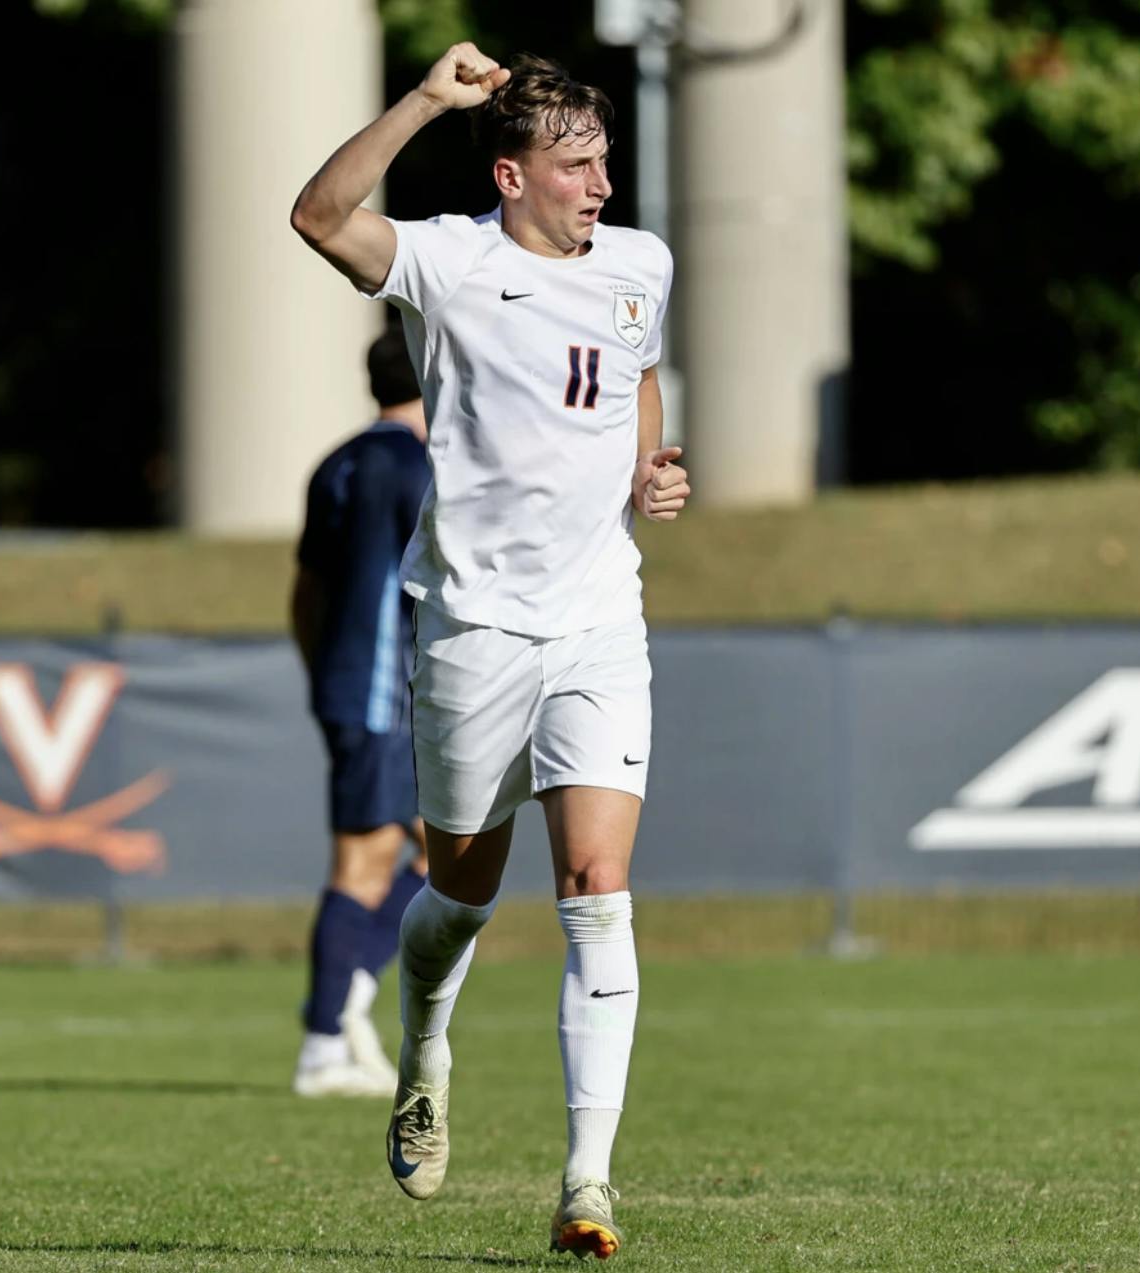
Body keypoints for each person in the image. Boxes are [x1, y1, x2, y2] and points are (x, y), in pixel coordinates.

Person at [290, 45, 691, 1260]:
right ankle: (424, 1046)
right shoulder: (452, 259)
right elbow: (317, 216)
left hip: (598, 628)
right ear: (512, 175)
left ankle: (587, 1180)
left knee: (594, 894)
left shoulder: (640, 264)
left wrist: (648, 466)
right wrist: (423, 100)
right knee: (457, 896)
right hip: (470, 629)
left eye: (605, 160)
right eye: (575, 167)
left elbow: (640, 376)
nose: (599, 186)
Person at [289, 330, 433, 1099]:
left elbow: (305, 591)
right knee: (365, 860)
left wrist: (322, 675)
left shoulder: (336, 462)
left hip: (351, 685)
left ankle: (347, 1002)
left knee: (439, 851)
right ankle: (324, 1035)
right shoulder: (416, 465)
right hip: (389, 690)